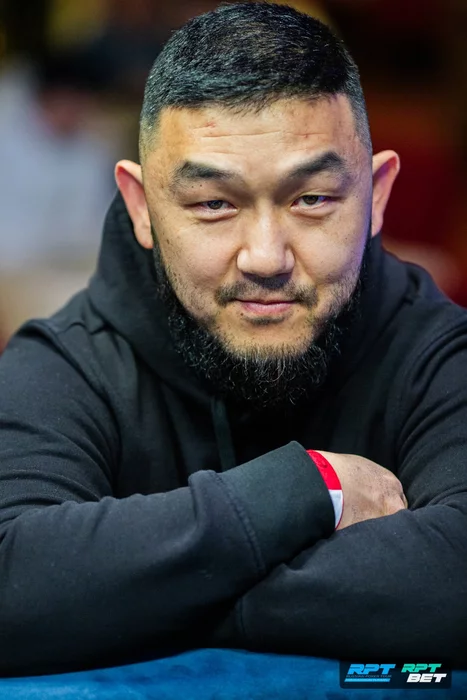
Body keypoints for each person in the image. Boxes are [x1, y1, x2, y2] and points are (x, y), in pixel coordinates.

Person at [0, 2, 465, 677]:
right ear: (142, 208)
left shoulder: (436, 351)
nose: (265, 256)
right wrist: (312, 486)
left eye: (311, 199)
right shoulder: (70, 362)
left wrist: (138, 597)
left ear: (377, 194)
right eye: (213, 203)